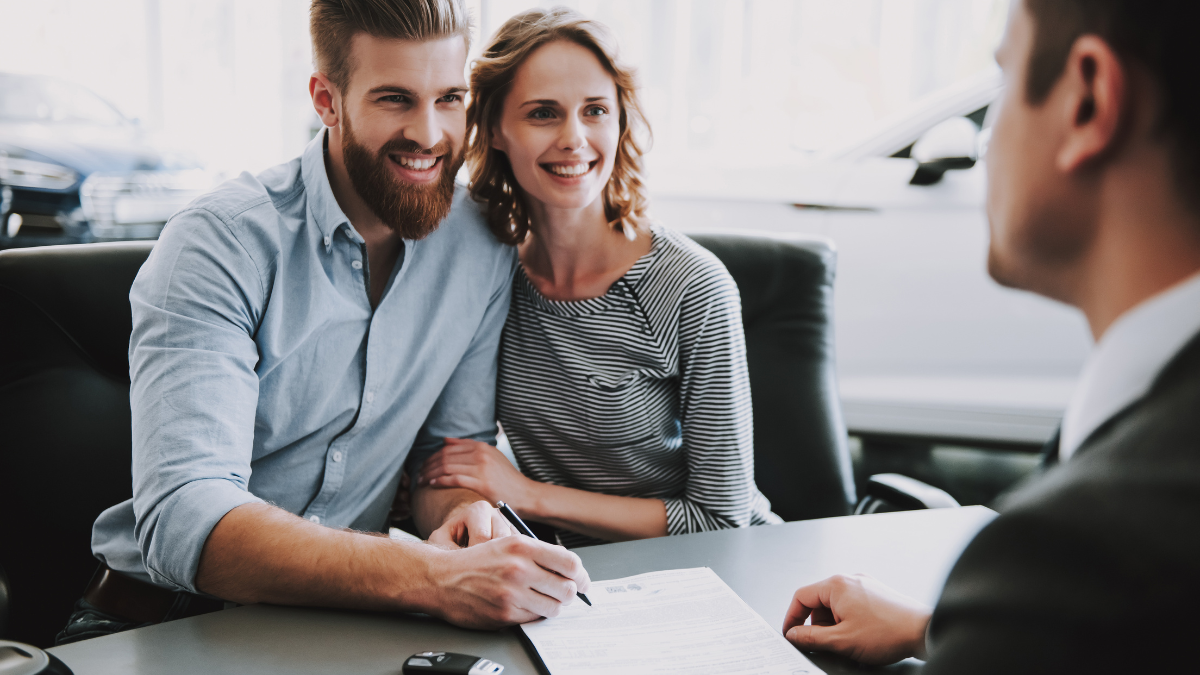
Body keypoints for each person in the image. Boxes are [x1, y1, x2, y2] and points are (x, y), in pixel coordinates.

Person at [57, 0, 589, 646]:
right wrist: (430, 575)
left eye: (449, 98)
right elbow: (183, 519)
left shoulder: (481, 246)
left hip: (336, 624)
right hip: (160, 620)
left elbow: (441, 462)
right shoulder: (219, 244)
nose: (429, 133)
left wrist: (466, 519)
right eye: (395, 99)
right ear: (326, 99)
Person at [781, 0, 1200, 672]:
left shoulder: (1074, 557)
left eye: (1002, 83)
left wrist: (1005, 617)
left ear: (1086, 101)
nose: (987, 141)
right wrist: (937, 630)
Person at [414, 8, 781, 548]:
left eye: (595, 111)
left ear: (620, 121)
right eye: (543, 113)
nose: (574, 138)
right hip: (583, 577)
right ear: (493, 129)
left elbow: (722, 516)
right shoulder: (495, 278)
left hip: (721, 566)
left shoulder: (693, 287)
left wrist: (526, 493)